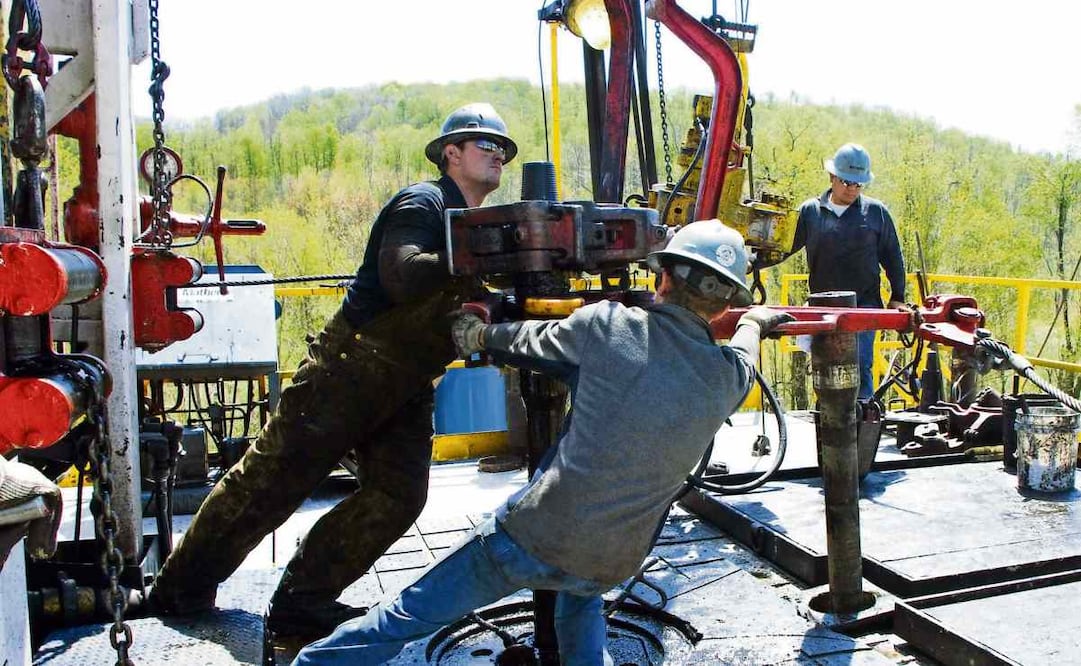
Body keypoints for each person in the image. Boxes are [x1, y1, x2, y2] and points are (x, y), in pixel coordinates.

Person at [290, 220, 795, 665]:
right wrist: (753, 323)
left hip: (534, 536)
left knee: (407, 616)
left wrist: (476, 333)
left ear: (662, 277)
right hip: (614, 558)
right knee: (582, 596)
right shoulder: (728, 378)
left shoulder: (607, 325)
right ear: (726, 302)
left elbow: (525, 341)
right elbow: (745, 356)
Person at [149, 102, 518, 638]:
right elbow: (401, 275)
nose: (498, 156)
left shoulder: (470, 225)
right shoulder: (424, 202)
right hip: (347, 369)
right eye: (485, 145)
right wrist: (485, 257)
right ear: (450, 154)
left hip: (405, 381)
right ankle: (178, 594)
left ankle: (304, 600)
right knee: (270, 485)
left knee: (398, 495)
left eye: (503, 150)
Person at [788, 143, 906, 399]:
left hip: (864, 307)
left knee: (861, 367)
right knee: (826, 370)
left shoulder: (875, 213)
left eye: (858, 184)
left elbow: (893, 256)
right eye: (846, 182)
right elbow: (785, 247)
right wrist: (751, 261)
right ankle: (830, 424)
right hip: (823, 309)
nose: (852, 189)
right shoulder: (811, 212)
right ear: (832, 177)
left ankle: (863, 423)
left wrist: (898, 296)